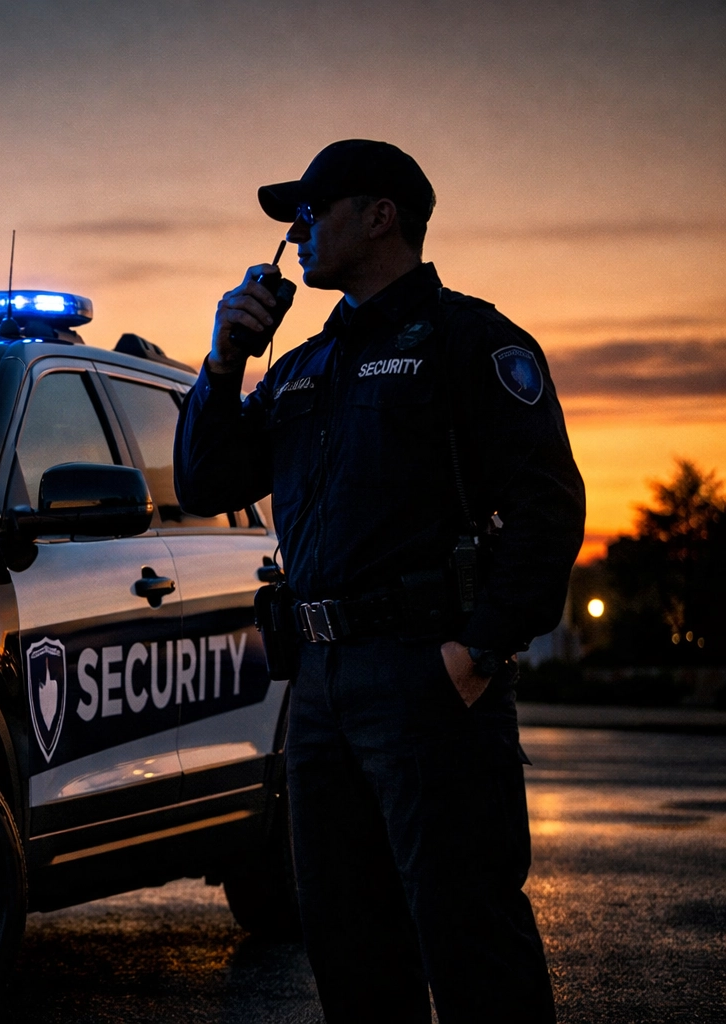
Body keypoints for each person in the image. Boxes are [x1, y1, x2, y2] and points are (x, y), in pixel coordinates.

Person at [175, 139, 584, 1023]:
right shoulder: (303, 368)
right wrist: (225, 359)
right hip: (318, 688)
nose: (298, 232)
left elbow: (549, 507)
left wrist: (477, 651)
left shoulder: (470, 341)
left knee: (471, 941)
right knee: (350, 947)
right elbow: (206, 482)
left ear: (380, 215)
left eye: (312, 211)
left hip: (426, 679)